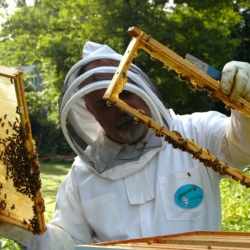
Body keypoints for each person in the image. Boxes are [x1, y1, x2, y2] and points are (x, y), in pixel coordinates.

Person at [0, 41, 250, 250]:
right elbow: (69, 242)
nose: (121, 109)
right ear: (90, 112)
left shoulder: (197, 132)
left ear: (141, 88)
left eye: (125, 94)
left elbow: (243, 147)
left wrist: (246, 105)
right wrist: (25, 231)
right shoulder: (82, 175)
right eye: (104, 105)